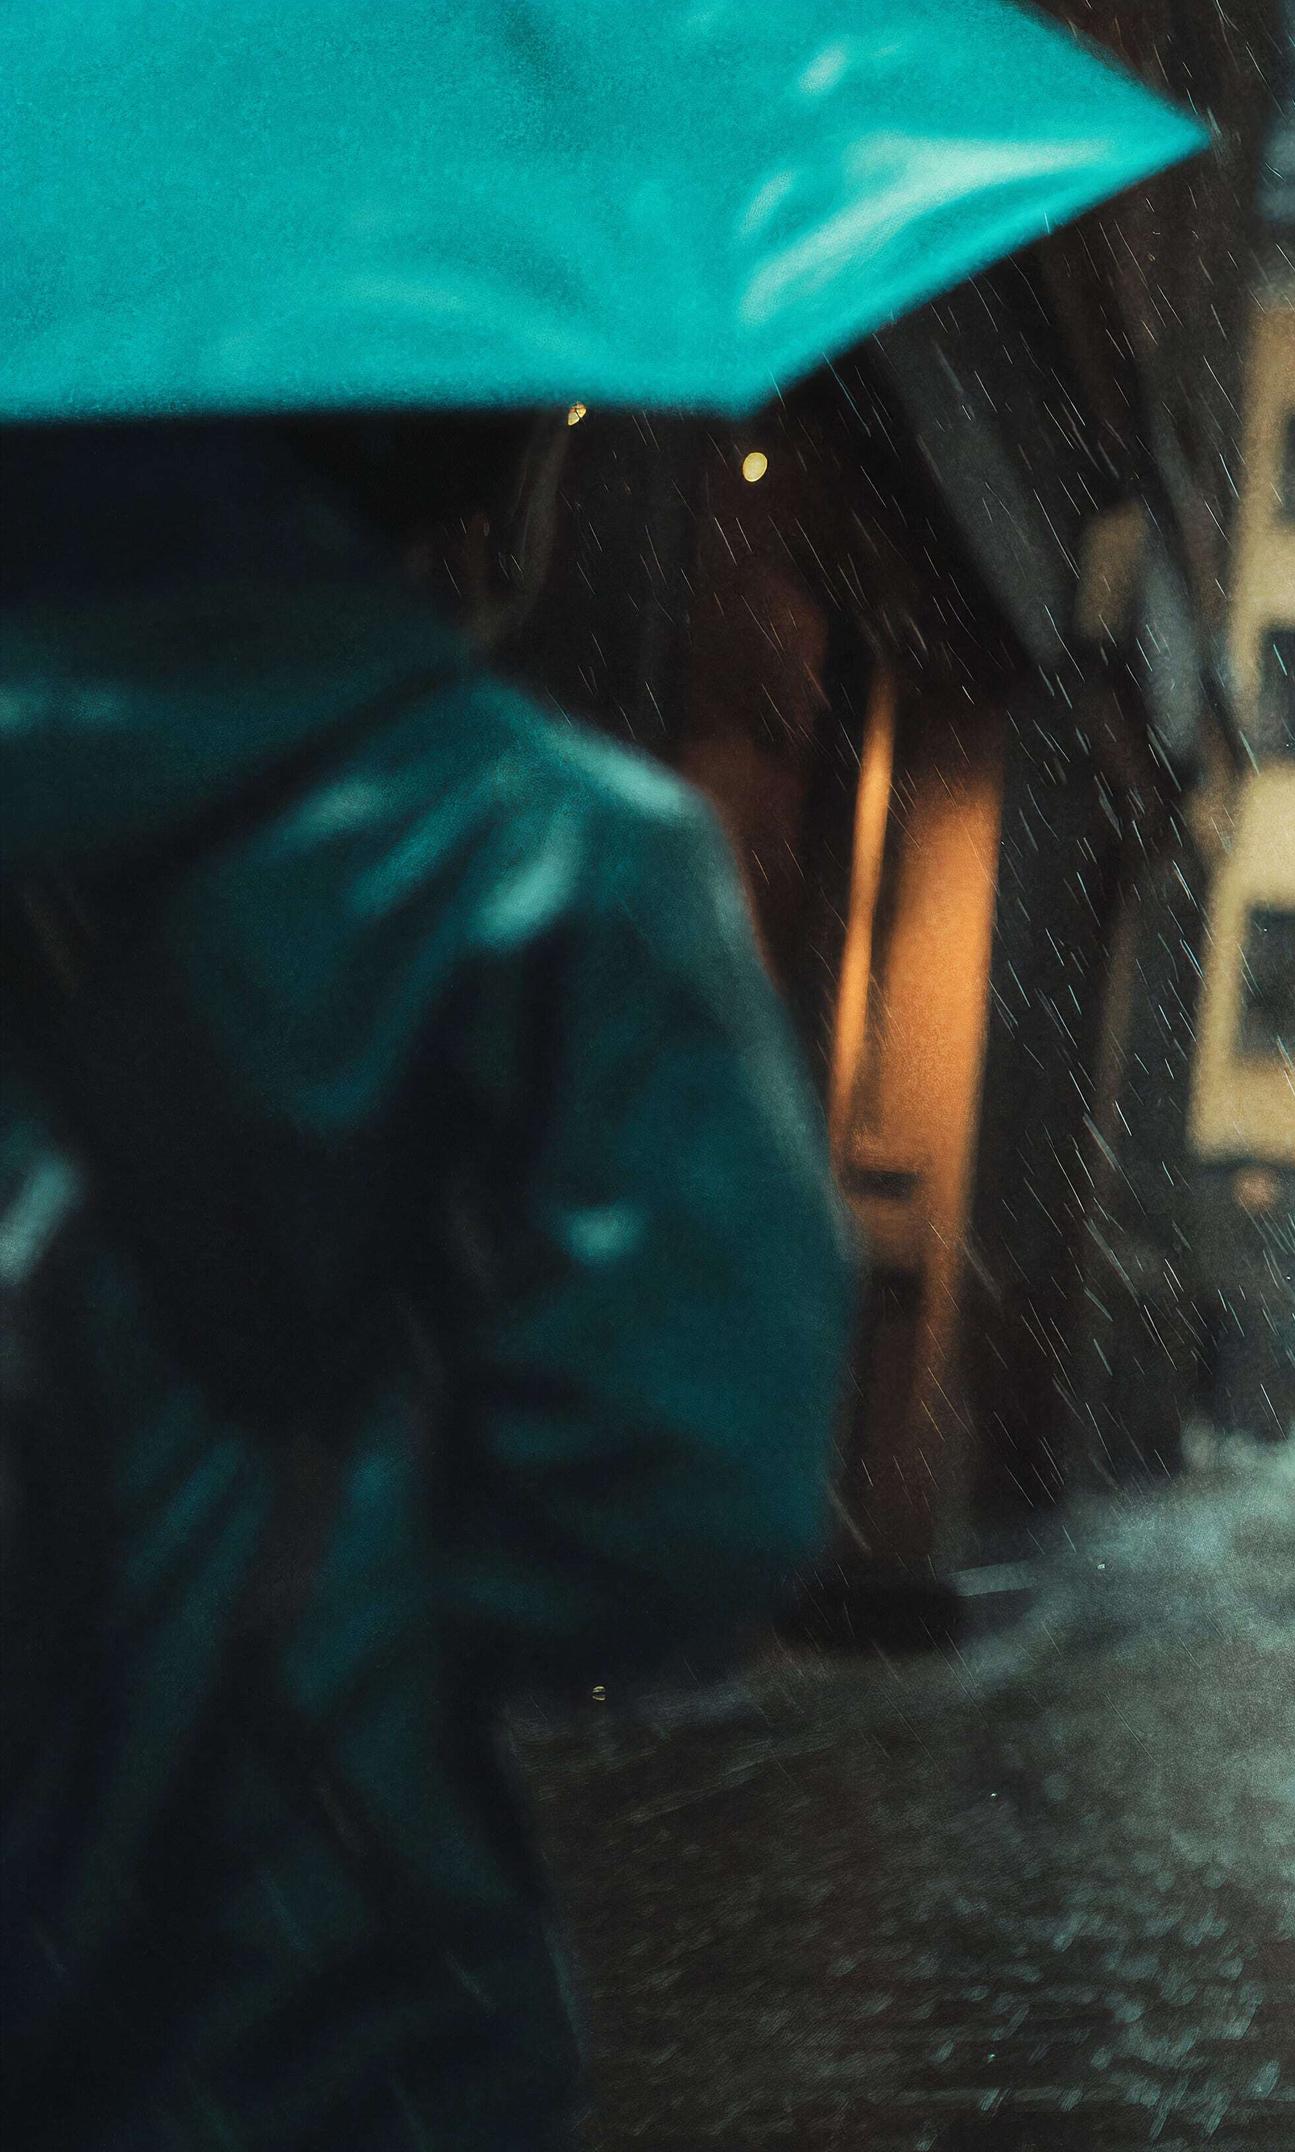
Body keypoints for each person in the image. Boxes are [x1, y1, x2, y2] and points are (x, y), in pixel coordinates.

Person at [0, 418, 850, 2145]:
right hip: (286, 1983)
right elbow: (684, 1499)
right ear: (469, 458)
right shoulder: (547, 852)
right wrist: (331, 1592)